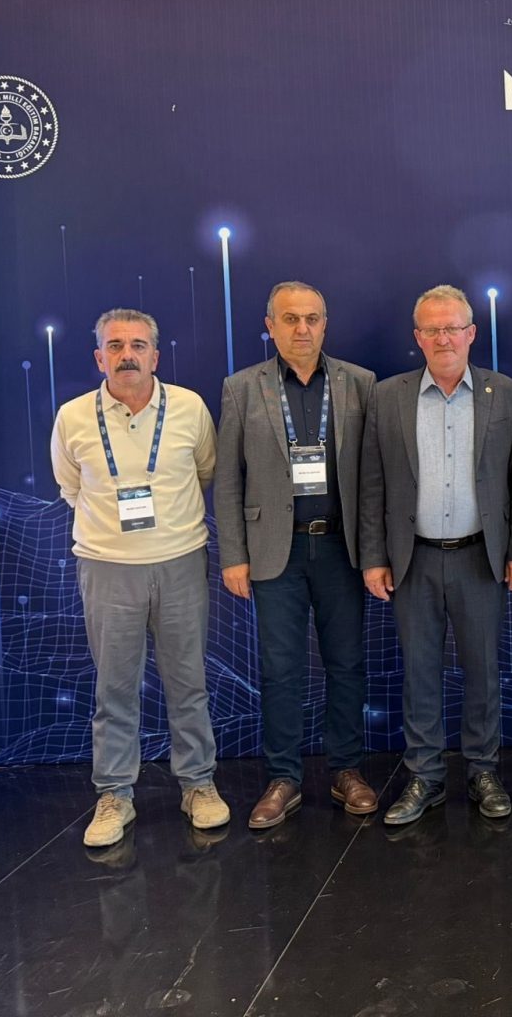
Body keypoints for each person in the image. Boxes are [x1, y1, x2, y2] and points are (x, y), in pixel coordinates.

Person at [51, 308, 230, 847]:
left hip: (180, 562)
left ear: (155, 355)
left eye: (137, 345)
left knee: (188, 682)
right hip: (107, 567)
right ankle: (114, 795)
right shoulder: (73, 417)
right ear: (98, 358)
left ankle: (198, 784)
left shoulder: (190, 407)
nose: (126, 355)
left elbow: (205, 471)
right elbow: (69, 486)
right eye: (115, 346)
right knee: (114, 688)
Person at [359, 285, 512, 825]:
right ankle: (425, 776)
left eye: (452, 328)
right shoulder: (387, 396)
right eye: (432, 330)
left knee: (482, 670)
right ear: (418, 337)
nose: (443, 339)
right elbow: (372, 483)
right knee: (419, 672)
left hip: (480, 558)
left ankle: (483, 770)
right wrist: (374, 556)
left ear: (471, 333)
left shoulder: (504, 393)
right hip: (411, 560)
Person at [215, 281, 378, 830]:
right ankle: (283, 777)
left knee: (346, 664)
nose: (301, 328)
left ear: (325, 325)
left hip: (341, 548)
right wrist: (233, 555)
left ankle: (346, 770)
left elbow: (374, 477)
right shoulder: (242, 388)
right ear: (270, 326)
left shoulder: (360, 383)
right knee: (280, 669)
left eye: (311, 318)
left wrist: (374, 551)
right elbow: (228, 480)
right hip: (272, 553)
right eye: (290, 319)